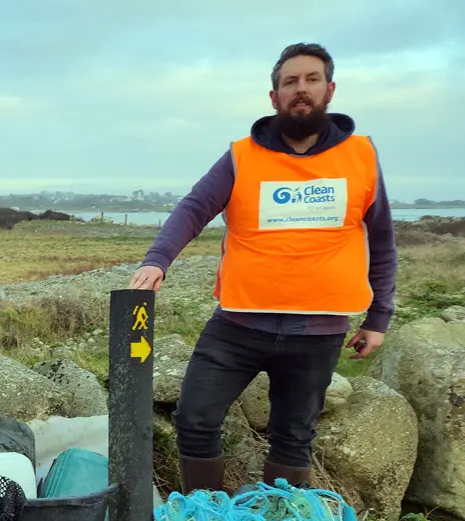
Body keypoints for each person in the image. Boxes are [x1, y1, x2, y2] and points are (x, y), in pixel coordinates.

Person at [128, 42, 398, 494]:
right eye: (290, 82)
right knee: (194, 419)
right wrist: (157, 261)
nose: (301, 89)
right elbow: (193, 208)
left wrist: (379, 318)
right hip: (239, 323)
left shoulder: (361, 157)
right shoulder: (241, 155)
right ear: (274, 97)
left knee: (293, 438)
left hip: (319, 331)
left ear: (329, 90)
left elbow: (384, 240)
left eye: (311, 79)